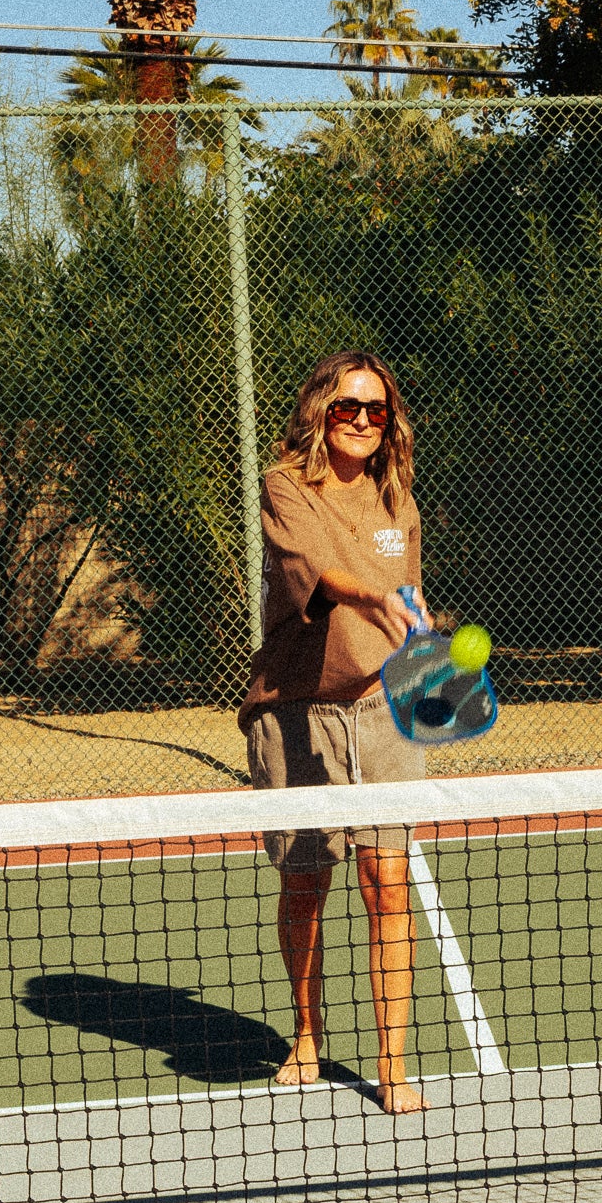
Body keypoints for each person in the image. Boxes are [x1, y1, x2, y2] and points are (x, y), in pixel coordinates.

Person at [238, 350, 436, 1117]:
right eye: (346, 406)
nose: (360, 420)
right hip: (297, 711)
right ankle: (306, 1036)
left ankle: (391, 1064)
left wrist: (421, 644)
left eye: (375, 409)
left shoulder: (397, 498)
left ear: (390, 422)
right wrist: (377, 595)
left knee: (387, 883)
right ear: (320, 411)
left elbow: (407, 599)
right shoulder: (285, 486)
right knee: (305, 884)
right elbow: (316, 574)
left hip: (383, 708)